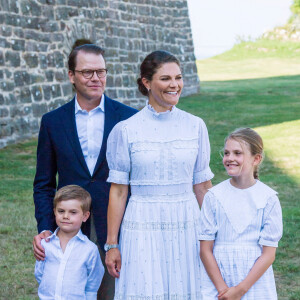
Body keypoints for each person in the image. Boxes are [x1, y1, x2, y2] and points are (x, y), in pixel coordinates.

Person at [104, 50, 214, 299]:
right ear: (146, 82)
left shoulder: (196, 126)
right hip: (141, 223)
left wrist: (214, 233)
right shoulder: (126, 130)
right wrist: (112, 244)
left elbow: (203, 187)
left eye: (178, 77)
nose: (174, 85)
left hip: (188, 222)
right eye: (165, 79)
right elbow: (119, 191)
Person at [32, 44, 137, 299]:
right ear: (71, 76)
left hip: (116, 223)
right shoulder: (53, 121)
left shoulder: (128, 118)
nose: (96, 78)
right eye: (87, 72)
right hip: (70, 226)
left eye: (101, 72)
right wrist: (46, 227)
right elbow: (44, 183)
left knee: (111, 292)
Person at [199, 128, 283, 299]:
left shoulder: (268, 199)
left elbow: (268, 254)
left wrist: (240, 290)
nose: (230, 158)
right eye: (227, 153)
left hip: (253, 282)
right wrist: (223, 290)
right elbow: (205, 250)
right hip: (218, 280)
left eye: (238, 153)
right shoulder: (214, 196)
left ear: (256, 159)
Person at [35, 185, 104, 299]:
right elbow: (40, 274)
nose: (66, 216)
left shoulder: (89, 249)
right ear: (54, 212)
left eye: (73, 212)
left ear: (85, 216)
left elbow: (93, 283)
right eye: (61, 211)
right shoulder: (45, 244)